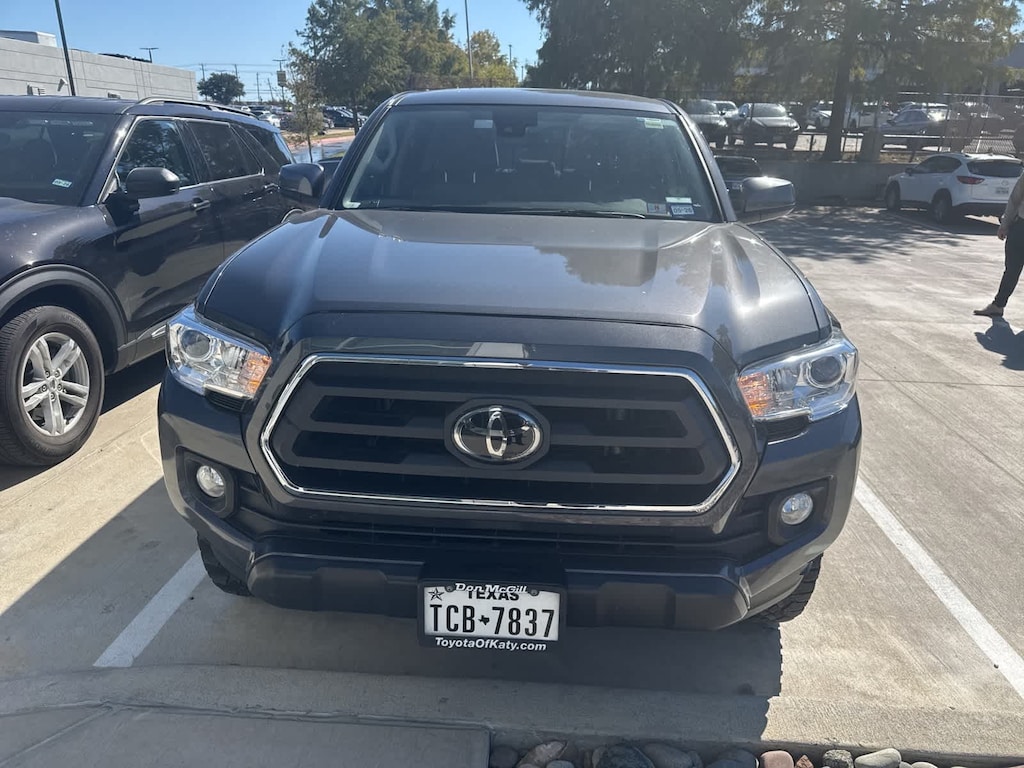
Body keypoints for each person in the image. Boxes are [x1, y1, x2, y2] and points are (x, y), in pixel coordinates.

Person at [975, 168, 1024, 317]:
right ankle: (998, 305)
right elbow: (1015, 199)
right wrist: (1005, 224)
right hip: (1021, 226)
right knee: (1011, 269)